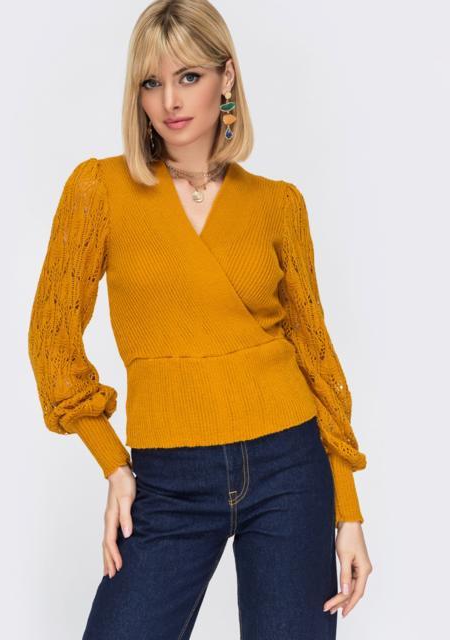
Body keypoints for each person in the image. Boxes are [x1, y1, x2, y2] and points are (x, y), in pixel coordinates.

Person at [27, 1, 373, 638]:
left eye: (189, 76)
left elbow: (315, 352)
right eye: (151, 82)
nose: (170, 100)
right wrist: (113, 463)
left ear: (227, 77)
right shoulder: (98, 191)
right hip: (167, 481)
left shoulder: (279, 204)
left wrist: (347, 511)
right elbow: (52, 340)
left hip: (289, 467)